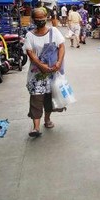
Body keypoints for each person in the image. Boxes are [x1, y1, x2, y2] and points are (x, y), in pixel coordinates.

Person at [23, 7, 65, 137]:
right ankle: (36, 128)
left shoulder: (54, 31)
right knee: (36, 98)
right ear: (33, 20)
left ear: (46, 17)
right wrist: (41, 66)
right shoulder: (30, 35)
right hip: (36, 75)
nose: (40, 20)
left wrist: (58, 63)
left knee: (48, 99)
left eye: (42, 18)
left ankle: (47, 119)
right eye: (37, 18)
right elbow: (30, 53)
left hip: (52, 72)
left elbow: (62, 46)